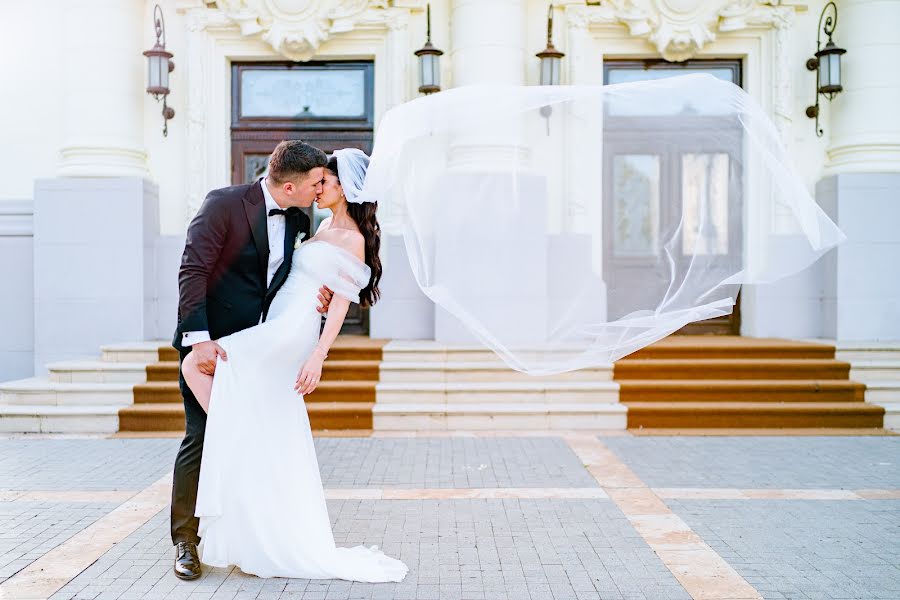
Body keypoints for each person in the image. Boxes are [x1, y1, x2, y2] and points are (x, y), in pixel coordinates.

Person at [180, 148, 407, 582]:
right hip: (279, 320)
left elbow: (339, 303)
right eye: (316, 182)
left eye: (326, 182)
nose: (319, 188)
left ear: (345, 188)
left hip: (292, 331)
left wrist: (318, 355)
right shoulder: (315, 225)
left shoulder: (352, 237)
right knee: (258, 405)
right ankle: (250, 457)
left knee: (199, 367)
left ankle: (237, 433)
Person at [170, 140, 335, 580]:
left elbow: (284, 279)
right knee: (203, 436)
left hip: (262, 351)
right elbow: (194, 268)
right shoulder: (223, 204)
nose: (321, 189)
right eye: (317, 181)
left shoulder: (301, 218)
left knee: (250, 439)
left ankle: (246, 533)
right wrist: (198, 338)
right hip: (215, 345)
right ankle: (186, 541)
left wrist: (313, 295)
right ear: (288, 185)